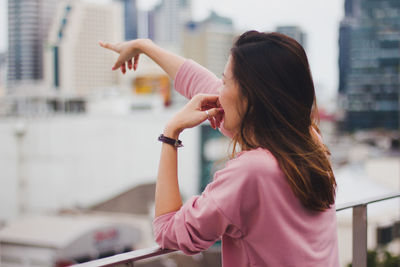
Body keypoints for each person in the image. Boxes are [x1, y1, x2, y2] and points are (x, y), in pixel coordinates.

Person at [99, 30, 339, 267]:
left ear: (250, 99)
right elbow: (201, 84)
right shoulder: (308, 140)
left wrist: (171, 134)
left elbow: (167, 231)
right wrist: (146, 47)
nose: (217, 92)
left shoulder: (252, 170)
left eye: (224, 82)